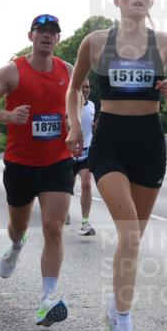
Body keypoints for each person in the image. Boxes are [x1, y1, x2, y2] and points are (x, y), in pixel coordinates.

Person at [66, 0, 167, 331]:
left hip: (149, 143)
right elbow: (74, 89)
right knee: (131, 234)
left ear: (151, 2)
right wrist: (74, 125)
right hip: (110, 143)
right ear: (117, 0)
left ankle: (112, 307)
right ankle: (124, 327)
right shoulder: (96, 42)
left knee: (133, 240)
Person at [0, 13, 74, 327]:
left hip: (57, 160)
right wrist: (8, 116)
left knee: (54, 227)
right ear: (31, 36)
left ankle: (47, 300)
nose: (47, 36)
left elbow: (77, 98)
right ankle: (16, 246)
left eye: (52, 32)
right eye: (41, 31)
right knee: (18, 226)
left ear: (58, 39)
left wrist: (74, 125)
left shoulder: (67, 71)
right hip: (21, 163)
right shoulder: (12, 72)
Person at [72, 79, 97, 235]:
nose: (86, 90)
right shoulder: (69, 105)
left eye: (88, 87)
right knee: (66, 188)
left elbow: (91, 125)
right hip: (68, 153)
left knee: (87, 184)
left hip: (86, 152)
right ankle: (64, 213)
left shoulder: (93, 105)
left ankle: (85, 222)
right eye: (83, 87)